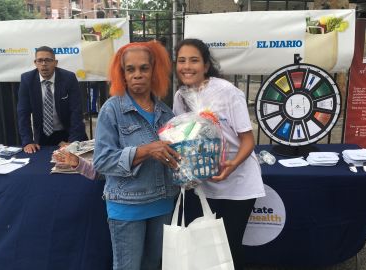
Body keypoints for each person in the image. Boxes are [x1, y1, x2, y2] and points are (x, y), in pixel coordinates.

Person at [173, 38, 265, 270]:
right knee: (204, 247)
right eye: (181, 60)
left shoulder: (227, 92)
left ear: (205, 65)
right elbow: (181, 139)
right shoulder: (180, 97)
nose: (187, 66)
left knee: (229, 249)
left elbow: (247, 140)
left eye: (194, 60)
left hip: (237, 185)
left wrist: (232, 164)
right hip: (203, 184)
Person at [93, 40, 180, 270]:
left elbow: (174, 158)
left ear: (154, 71)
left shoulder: (165, 112)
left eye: (144, 68)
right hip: (127, 206)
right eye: (130, 69)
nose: (137, 75)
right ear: (121, 74)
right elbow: (101, 161)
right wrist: (146, 150)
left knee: (154, 265)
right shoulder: (111, 110)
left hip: (162, 203)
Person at [17, 46, 87, 154]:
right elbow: (23, 113)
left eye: (48, 60)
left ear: (56, 62)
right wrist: (27, 142)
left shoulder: (69, 78)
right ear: (35, 63)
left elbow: (76, 112)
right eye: (40, 60)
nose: (44, 64)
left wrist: (73, 141)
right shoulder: (27, 80)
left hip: (67, 132)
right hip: (43, 136)